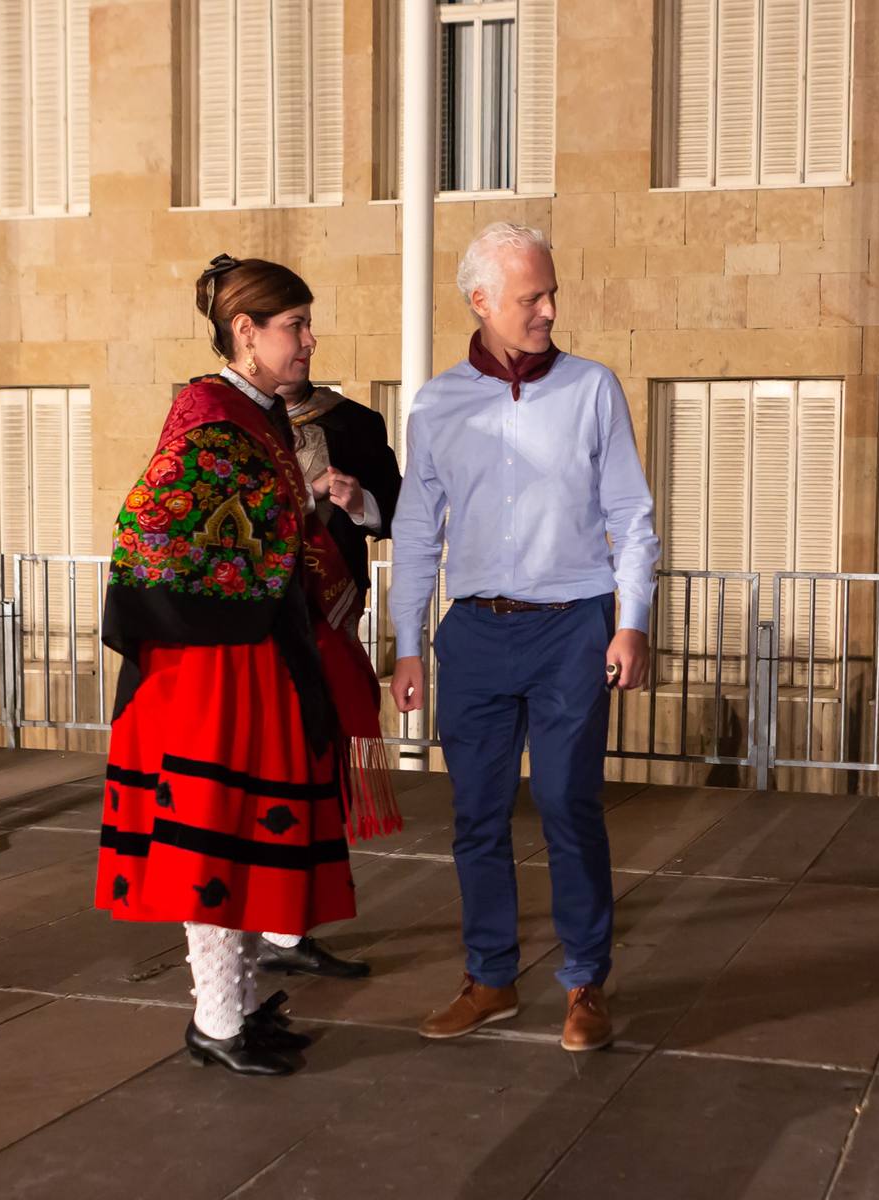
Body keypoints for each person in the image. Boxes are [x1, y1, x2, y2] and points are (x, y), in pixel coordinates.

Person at [96, 255, 396, 1077]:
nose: (307, 340)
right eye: (293, 325)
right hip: (213, 670)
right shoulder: (210, 414)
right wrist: (270, 565)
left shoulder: (251, 413)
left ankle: (232, 1007)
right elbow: (152, 537)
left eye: (305, 323)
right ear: (245, 332)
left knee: (244, 843)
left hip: (254, 658)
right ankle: (216, 1020)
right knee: (214, 845)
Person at [391, 222, 660, 1054]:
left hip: (572, 628)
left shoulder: (591, 389)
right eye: (530, 297)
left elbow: (632, 516)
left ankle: (584, 983)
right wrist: (407, 642)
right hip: (472, 633)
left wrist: (632, 622)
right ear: (480, 302)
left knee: (568, 807)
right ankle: (492, 978)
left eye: (550, 293)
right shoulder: (437, 403)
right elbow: (413, 529)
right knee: (475, 815)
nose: (549, 308)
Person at [245, 373, 405, 981]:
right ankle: (254, 929)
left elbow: (396, 511)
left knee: (317, 771)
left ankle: (287, 928)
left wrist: (356, 501)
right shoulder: (227, 425)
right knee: (266, 774)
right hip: (260, 627)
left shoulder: (354, 422)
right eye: (295, 326)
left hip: (330, 618)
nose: (308, 340)